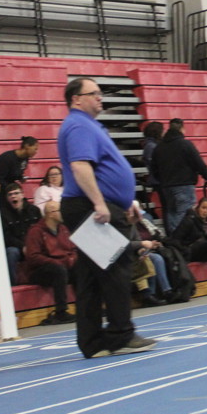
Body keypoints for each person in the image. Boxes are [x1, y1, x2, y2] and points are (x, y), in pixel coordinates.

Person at [59, 77, 156, 358]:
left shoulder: (87, 124)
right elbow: (80, 167)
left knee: (91, 275)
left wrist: (126, 201)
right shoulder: (79, 125)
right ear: (76, 99)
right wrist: (100, 203)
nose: (100, 97)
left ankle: (92, 342)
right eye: (94, 93)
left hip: (93, 205)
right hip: (89, 206)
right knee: (116, 266)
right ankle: (120, 335)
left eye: (100, 93)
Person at [150, 119, 207, 235]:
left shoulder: (159, 147)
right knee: (185, 215)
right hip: (184, 185)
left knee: (171, 214)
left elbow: (153, 168)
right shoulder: (185, 144)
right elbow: (198, 162)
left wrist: (162, 180)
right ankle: (182, 241)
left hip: (166, 186)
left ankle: (174, 241)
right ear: (182, 129)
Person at [24, 200, 77, 324]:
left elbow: (73, 249)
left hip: (62, 264)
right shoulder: (35, 231)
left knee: (81, 267)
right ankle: (61, 312)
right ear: (51, 214)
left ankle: (86, 306)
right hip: (40, 271)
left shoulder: (64, 229)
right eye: (60, 210)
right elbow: (33, 257)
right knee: (58, 270)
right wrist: (55, 261)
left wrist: (72, 258)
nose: (63, 213)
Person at [1, 182, 42, 285]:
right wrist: (22, 246)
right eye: (10, 194)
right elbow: (6, 237)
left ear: (22, 195)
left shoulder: (34, 210)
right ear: (7, 198)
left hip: (34, 245)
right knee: (11, 252)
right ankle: (11, 285)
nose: (13, 196)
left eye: (16, 193)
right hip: (16, 247)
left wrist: (31, 246)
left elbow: (41, 230)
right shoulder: (3, 214)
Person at [0, 136, 40, 205]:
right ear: (27, 146)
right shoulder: (7, 158)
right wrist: (11, 189)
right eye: (35, 149)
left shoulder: (25, 159)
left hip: (10, 188)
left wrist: (21, 178)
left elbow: (17, 173)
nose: (36, 152)